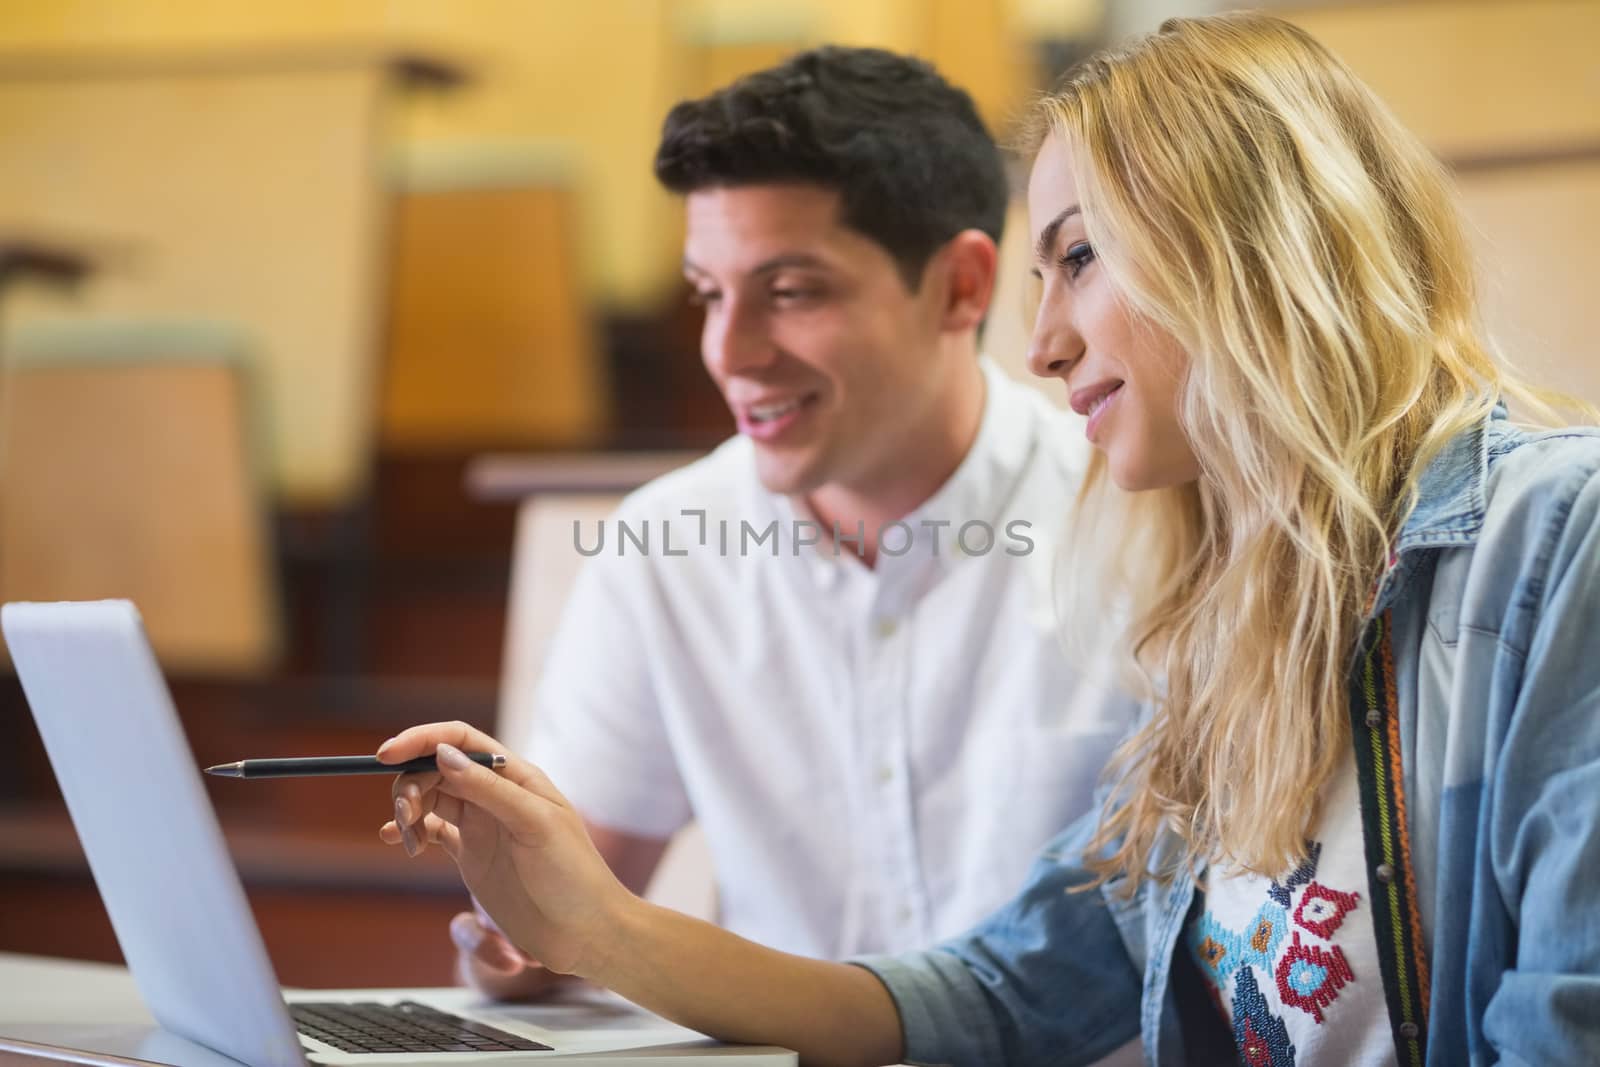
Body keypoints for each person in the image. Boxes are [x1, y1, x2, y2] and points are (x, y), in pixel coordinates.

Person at [381, 13, 1600, 1065]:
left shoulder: (1556, 534)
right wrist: (583, 920)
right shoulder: (1231, 608)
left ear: (1250, 246)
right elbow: (995, 994)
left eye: (1079, 256)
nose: (1045, 341)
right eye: (708, 294)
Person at [441, 45, 1137, 1005]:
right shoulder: (664, 549)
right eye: (709, 294)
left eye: (792, 291)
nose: (728, 353)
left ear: (961, 288)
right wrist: (511, 930)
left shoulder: (1140, 518)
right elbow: (556, 929)